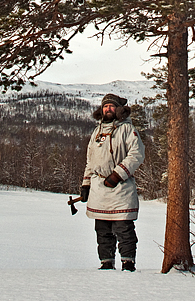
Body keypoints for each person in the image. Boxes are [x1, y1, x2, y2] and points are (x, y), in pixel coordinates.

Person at [80, 93, 145, 271]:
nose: (108, 109)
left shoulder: (127, 129)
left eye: (111, 106)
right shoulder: (97, 132)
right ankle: (106, 262)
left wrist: (117, 175)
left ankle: (128, 262)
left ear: (118, 109)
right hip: (99, 189)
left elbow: (137, 154)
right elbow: (90, 161)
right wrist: (86, 184)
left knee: (124, 228)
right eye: (105, 107)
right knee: (102, 229)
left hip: (121, 188)